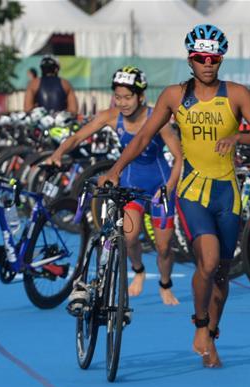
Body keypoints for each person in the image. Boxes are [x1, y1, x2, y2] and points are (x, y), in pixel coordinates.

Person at [99, 25, 250, 368]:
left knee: (222, 274)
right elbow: (142, 138)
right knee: (207, 262)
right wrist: (116, 169)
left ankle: (212, 334)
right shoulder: (174, 96)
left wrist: (238, 138)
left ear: (221, 59)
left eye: (213, 59)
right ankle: (199, 324)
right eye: (200, 58)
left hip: (227, 195)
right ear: (190, 60)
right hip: (193, 192)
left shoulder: (236, 94)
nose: (207, 64)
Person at [50, 66, 182, 306]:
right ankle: (139, 270)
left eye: (128, 97)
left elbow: (179, 157)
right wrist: (57, 153)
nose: (122, 103)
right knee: (129, 238)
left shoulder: (158, 118)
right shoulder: (111, 116)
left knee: (163, 247)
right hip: (132, 182)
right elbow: (78, 137)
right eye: (118, 97)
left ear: (140, 96)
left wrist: (170, 186)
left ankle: (165, 283)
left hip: (160, 184)